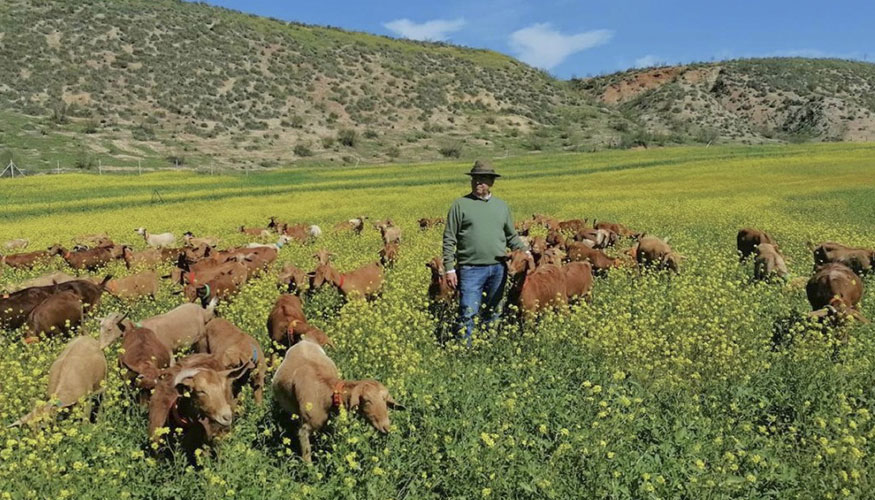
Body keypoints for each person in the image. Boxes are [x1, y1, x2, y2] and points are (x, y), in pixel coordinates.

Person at [442, 160, 528, 345]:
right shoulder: (460, 205)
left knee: (493, 311)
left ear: (492, 182)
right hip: (470, 269)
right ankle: (465, 350)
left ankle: (487, 346)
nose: (478, 182)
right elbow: (449, 238)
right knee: (468, 311)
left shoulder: (501, 206)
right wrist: (449, 269)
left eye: (483, 179)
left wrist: (526, 252)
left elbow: (511, 236)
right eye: (475, 178)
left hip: (498, 268)